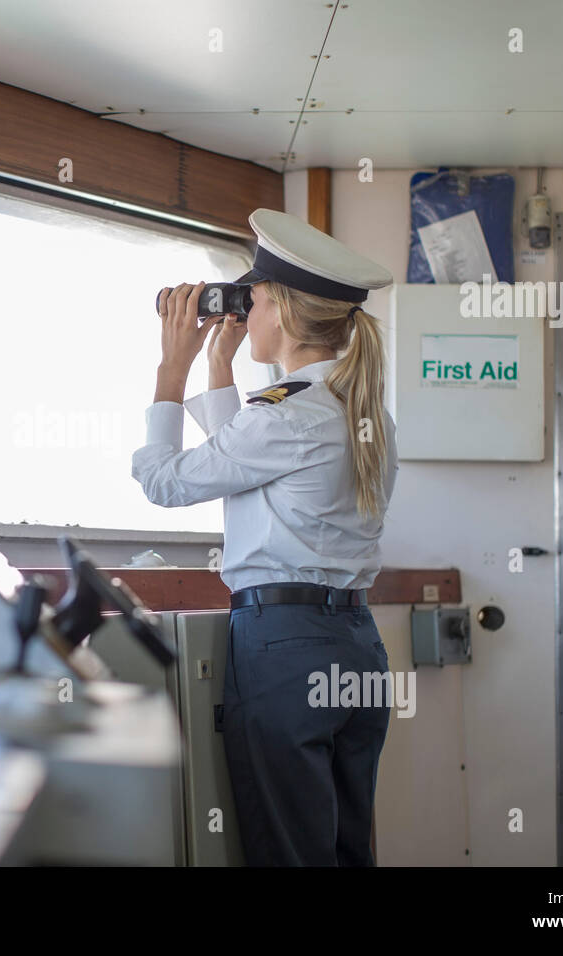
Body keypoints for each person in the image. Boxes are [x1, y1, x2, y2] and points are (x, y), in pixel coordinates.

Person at [132, 208, 398, 866]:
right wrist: (219, 365)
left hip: (285, 650)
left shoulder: (287, 414)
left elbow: (164, 482)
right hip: (356, 644)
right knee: (344, 850)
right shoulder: (356, 407)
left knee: (290, 854)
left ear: (277, 307)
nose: (243, 313)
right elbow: (244, 465)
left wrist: (174, 365)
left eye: (250, 299)